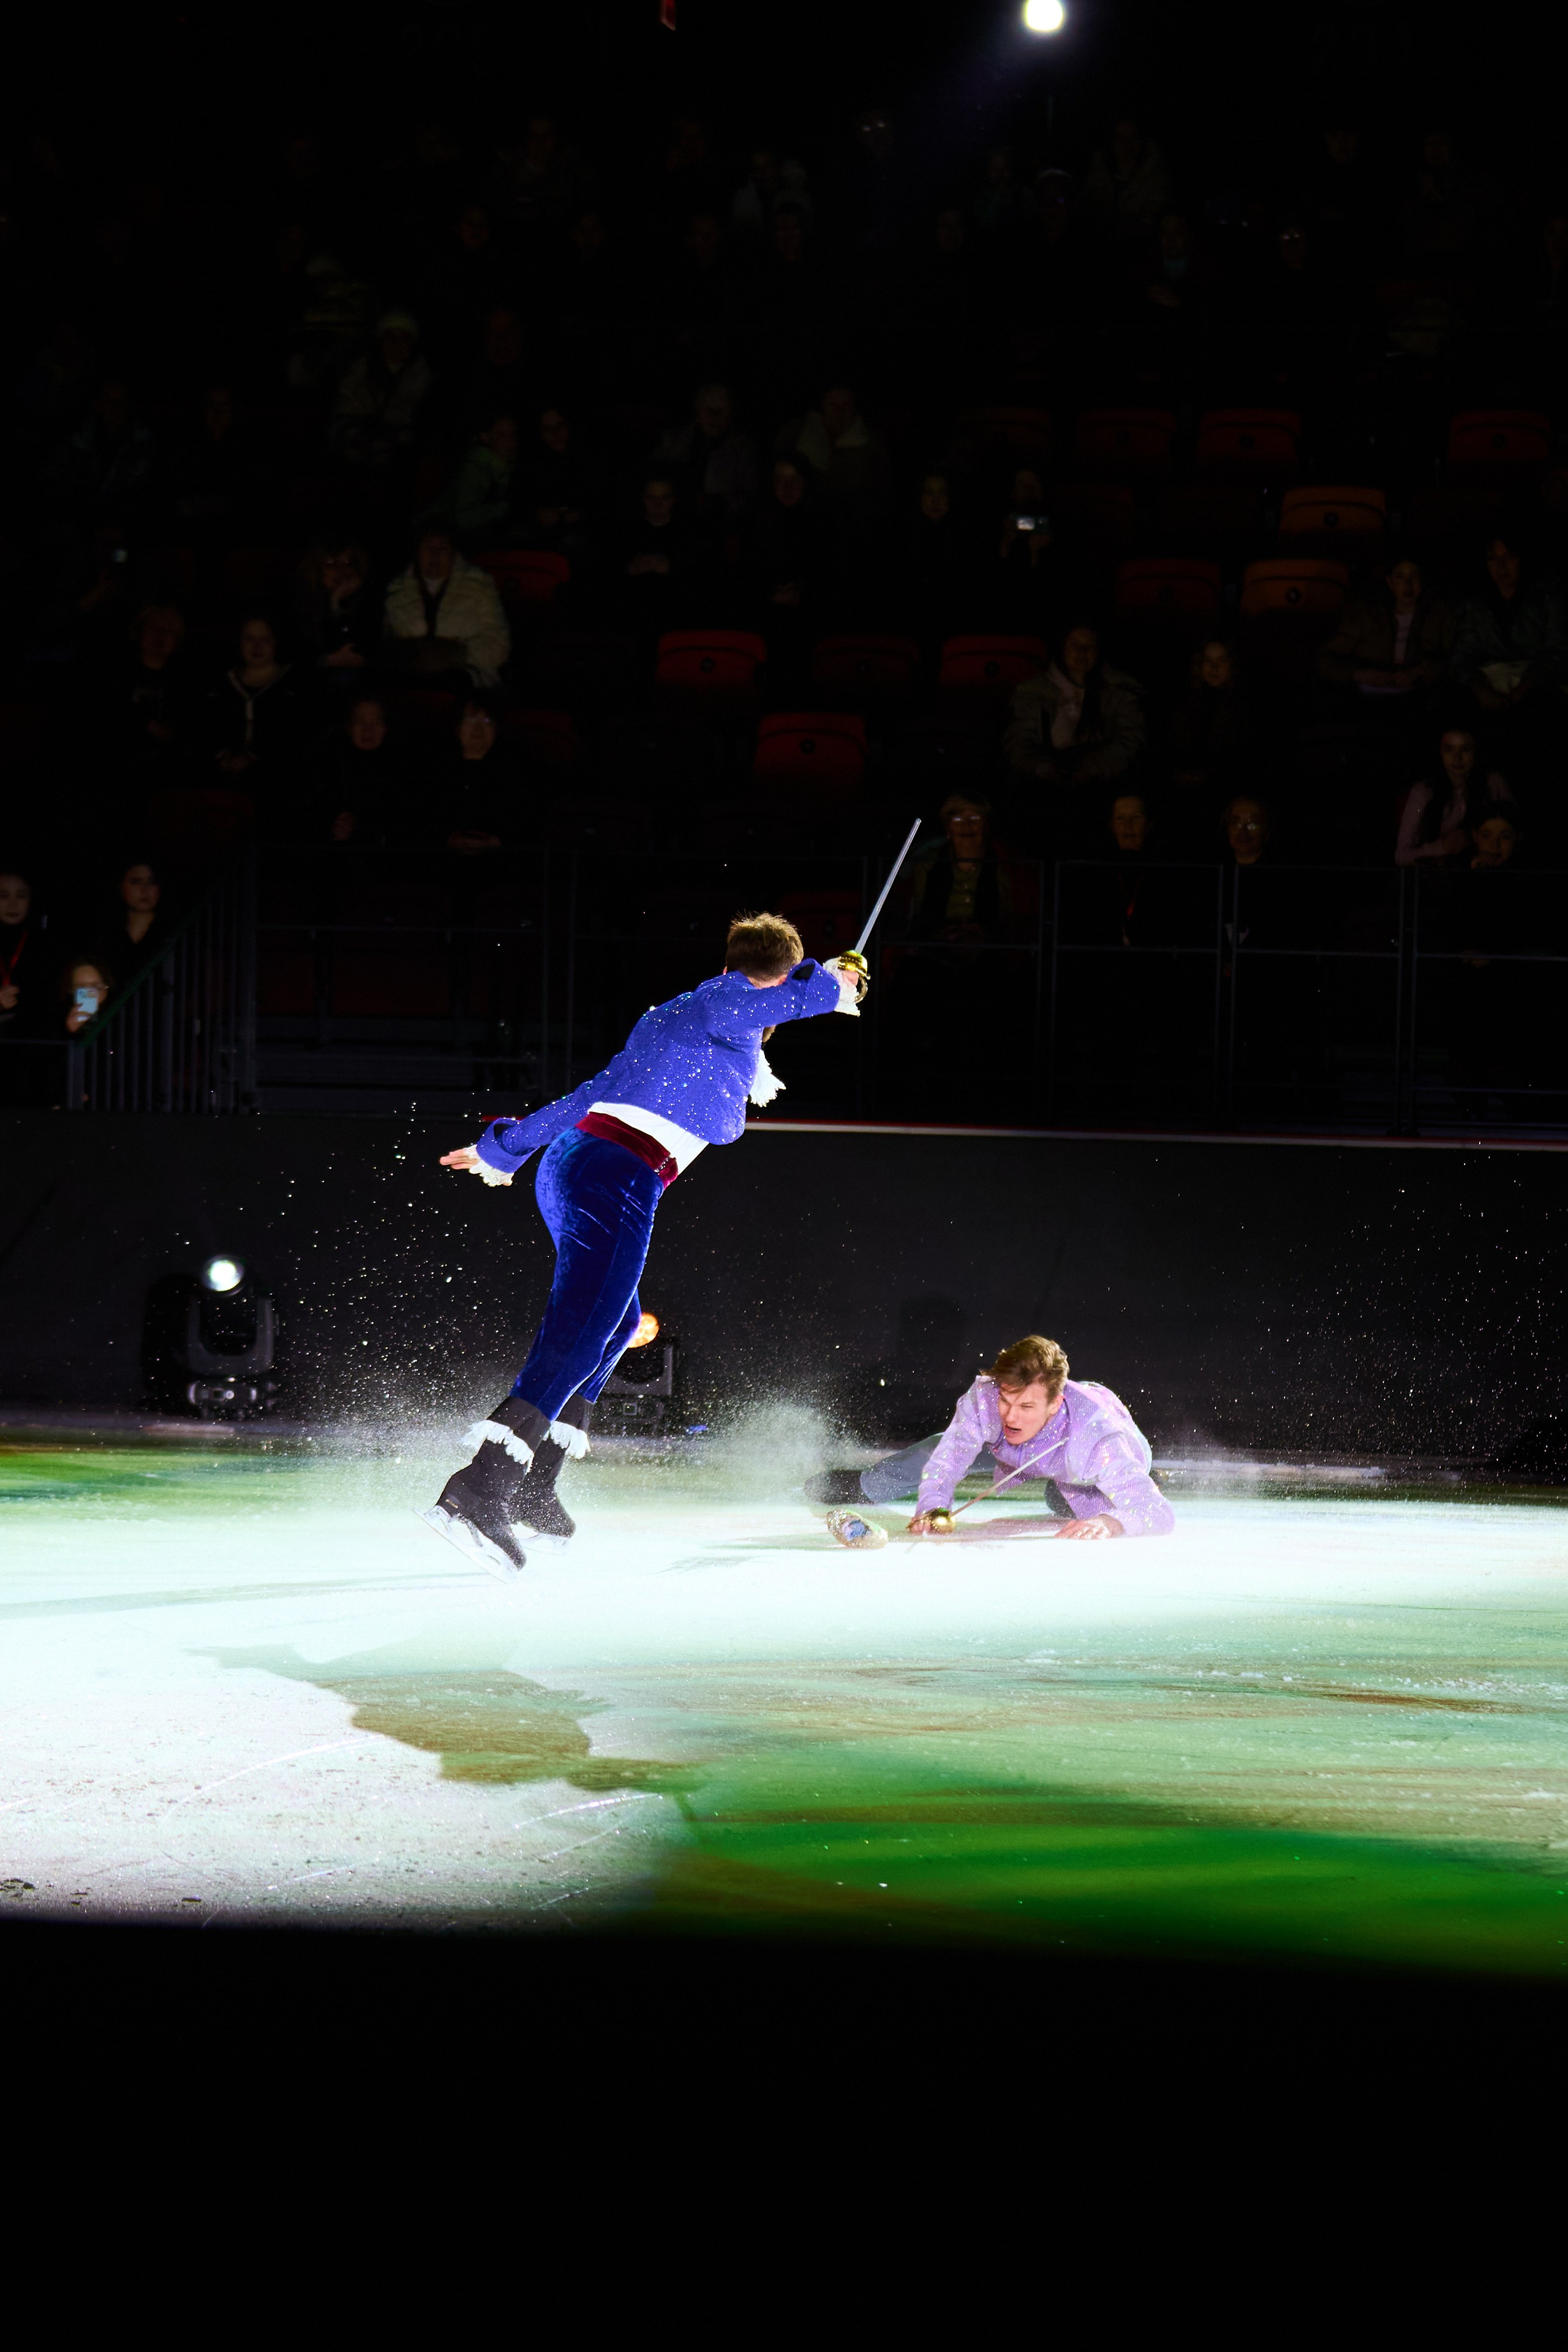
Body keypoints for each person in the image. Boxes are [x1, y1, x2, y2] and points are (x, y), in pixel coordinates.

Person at [424, 911, 868, 1575]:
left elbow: (590, 1092)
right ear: (754, 974)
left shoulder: (680, 1022)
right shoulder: (720, 999)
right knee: (585, 1324)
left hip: (584, 1162)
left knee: (618, 1322)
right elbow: (787, 998)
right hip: (614, 1171)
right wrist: (835, 984)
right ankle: (480, 1489)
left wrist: (506, 1148)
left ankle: (535, 1487)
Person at [807, 1332, 1173, 1539]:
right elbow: (950, 1457)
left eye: (1026, 1407)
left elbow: (1158, 1514)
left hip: (1085, 1462)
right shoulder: (986, 1399)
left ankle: (1138, 1480)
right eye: (1006, 1400)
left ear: (1054, 1403)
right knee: (939, 1445)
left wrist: (1111, 1521)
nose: (1011, 1417)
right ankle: (868, 1484)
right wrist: (932, 1506)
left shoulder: (1099, 1440)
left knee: (1071, 1502)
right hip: (1014, 1454)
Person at [1003, 624, 1145, 807]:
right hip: (1048, 777)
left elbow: (1130, 740)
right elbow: (1017, 742)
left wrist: (1092, 769)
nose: (1082, 652)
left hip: (1103, 778)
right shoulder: (1033, 692)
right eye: (1074, 645)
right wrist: (1043, 769)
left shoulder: (1119, 689)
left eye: (1090, 646)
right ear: (1062, 648)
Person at [383, 523, 510, 688]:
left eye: (442, 548)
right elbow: (387, 644)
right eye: (427, 548)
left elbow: (498, 644)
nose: (434, 555)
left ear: (453, 553)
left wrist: (455, 654)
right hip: (411, 676)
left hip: (465, 676)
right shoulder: (397, 590)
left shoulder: (479, 586)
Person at [1318, 556, 1452, 698]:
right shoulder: (1368, 617)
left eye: (1414, 576)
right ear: (1390, 582)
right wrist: (1359, 675)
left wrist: (1418, 672)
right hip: (1366, 698)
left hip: (1419, 698)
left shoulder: (1438, 616)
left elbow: (1452, 659)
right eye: (1400, 577)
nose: (1408, 585)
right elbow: (1327, 660)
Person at [1395, 728, 1513, 865]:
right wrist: (1440, 847)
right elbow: (1401, 855)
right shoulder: (1424, 792)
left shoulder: (1493, 783)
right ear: (1440, 752)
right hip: (1435, 878)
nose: (1457, 758)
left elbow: (1515, 833)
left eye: (1465, 750)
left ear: (1476, 751)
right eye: (1449, 749)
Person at [331, 310, 432, 471]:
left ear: (413, 343)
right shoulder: (360, 372)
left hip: (401, 459)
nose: (396, 343)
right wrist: (357, 436)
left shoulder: (424, 377)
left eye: (404, 337)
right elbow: (345, 409)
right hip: (357, 455)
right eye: (389, 336)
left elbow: (422, 425)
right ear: (380, 340)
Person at [294, 541, 380, 676]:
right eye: (331, 564)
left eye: (347, 563)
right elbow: (295, 654)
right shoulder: (300, 603)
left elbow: (362, 652)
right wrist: (328, 660)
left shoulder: (368, 603)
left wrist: (337, 604)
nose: (340, 571)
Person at [103, 861, 167, 981]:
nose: (145, 889)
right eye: (136, 882)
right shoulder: (108, 935)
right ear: (122, 888)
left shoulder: (171, 933)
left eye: (152, 883)